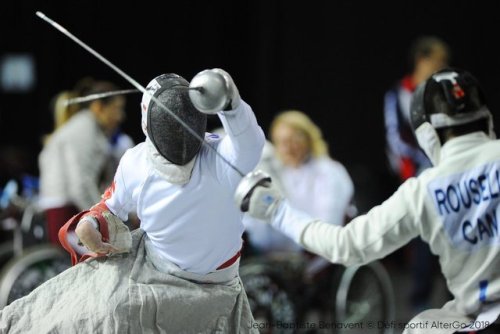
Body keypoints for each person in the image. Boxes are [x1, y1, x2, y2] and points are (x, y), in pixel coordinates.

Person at [237, 68, 500, 334]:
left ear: (427, 134)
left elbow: (346, 244)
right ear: (486, 118)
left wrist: (277, 211)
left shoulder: (424, 189)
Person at [0, 69, 264, 333]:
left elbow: (250, 142)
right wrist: (90, 224)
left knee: (117, 312)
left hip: (215, 288)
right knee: (74, 312)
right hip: (152, 272)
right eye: (168, 123)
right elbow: (109, 207)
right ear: (148, 123)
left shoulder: (222, 157)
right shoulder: (136, 161)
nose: (177, 132)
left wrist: (231, 103)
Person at [384, 35, 451, 311]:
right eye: (437, 61)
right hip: (417, 178)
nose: (441, 66)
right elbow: (395, 138)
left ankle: (457, 307)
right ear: (421, 60)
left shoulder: (445, 90)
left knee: (451, 241)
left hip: (447, 175)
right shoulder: (399, 93)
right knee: (423, 246)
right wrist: (431, 161)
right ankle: (419, 311)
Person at [243, 110, 355, 253]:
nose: (288, 148)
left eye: (293, 140)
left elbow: (329, 224)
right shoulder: (278, 173)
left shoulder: (329, 171)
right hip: (280, 254)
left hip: (317, 251)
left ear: (308, 139)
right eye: (282, 142)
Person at [38, 80, 126, 247]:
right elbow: (80, 184)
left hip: (66, 207)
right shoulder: (84, 130)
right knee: (109, 253)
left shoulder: (87, 127)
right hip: (65, 211)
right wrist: (102, 217)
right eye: (117, 109)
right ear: (98, 107)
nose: (121, 116)